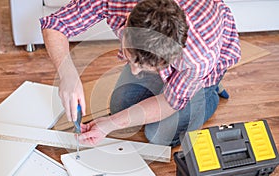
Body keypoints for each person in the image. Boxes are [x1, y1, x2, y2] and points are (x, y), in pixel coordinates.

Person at [40, 0, 241, 147]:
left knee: (160, 135)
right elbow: (55, 25)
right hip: (165, 56)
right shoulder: (113, 1)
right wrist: (68, 75)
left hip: (204, 70)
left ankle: (210, 93)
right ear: (128, 22)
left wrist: (109, 124)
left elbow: (171, 102)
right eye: (132, 58)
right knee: (120, 105)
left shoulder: (199, 54)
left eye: (143, 66)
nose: (134, 71)